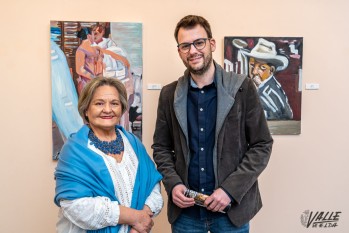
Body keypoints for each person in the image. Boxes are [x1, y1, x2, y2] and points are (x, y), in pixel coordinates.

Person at [152, 15, 273, 233]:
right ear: (179, 50)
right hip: (186, 215)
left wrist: (229, 190)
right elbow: (161, 148)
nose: (193, 50)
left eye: (199, 42)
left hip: (231, 212)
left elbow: (261, 145)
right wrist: (173, 184)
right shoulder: (169, 94)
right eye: (185, 45)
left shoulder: (242, 88)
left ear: (211, 44)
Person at [54, 77, 163, 233]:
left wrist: (140, 224)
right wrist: (134, 217)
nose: (107, 109)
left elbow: (153, 186)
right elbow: (75, 206)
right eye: (99, 103)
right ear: (86, 109)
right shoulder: (73, 150)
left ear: (122, 108)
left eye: (114, 103)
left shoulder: (133, 143)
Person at [241, 38, 293, 120]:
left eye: (262, 67)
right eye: (252, 65)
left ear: (271, 70)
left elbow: (282, 117)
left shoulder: (269, 92)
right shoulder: (257, 86)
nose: (254, 72)